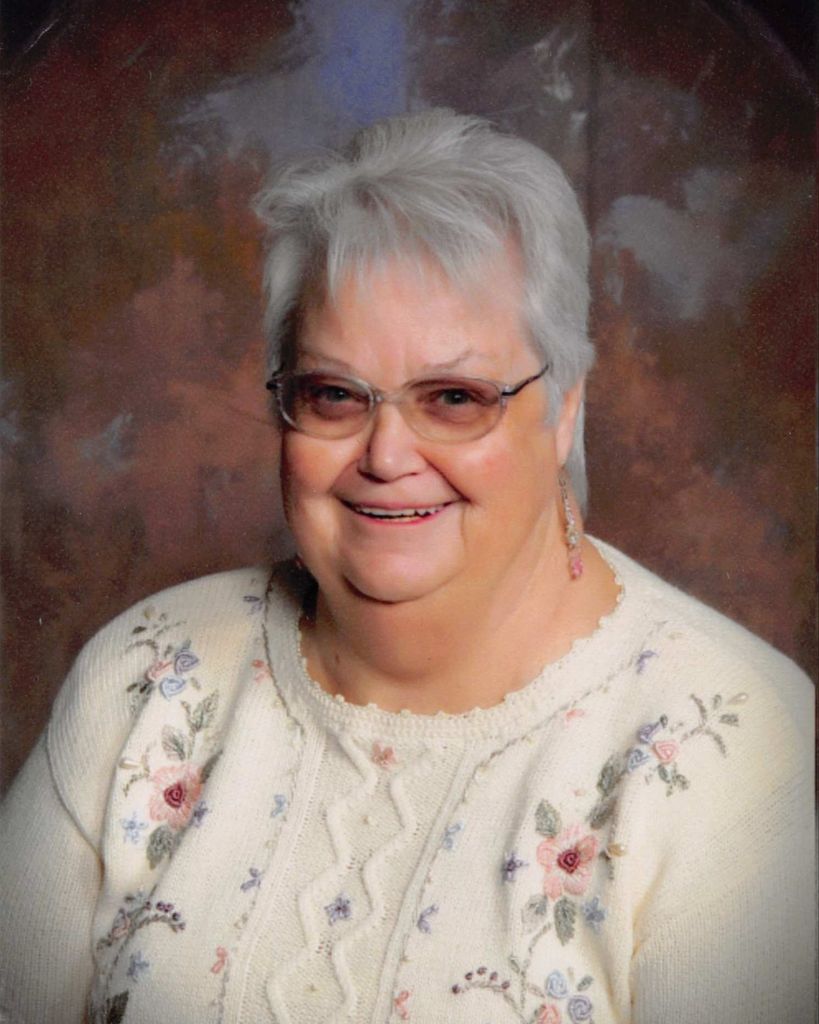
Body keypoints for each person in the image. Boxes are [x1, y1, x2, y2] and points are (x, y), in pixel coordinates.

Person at [0, 109, 814, 1024]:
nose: (386, 456)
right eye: (334, 394)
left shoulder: (726, 741)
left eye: (454, 398)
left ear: (564, 412)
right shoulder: (147, 674)